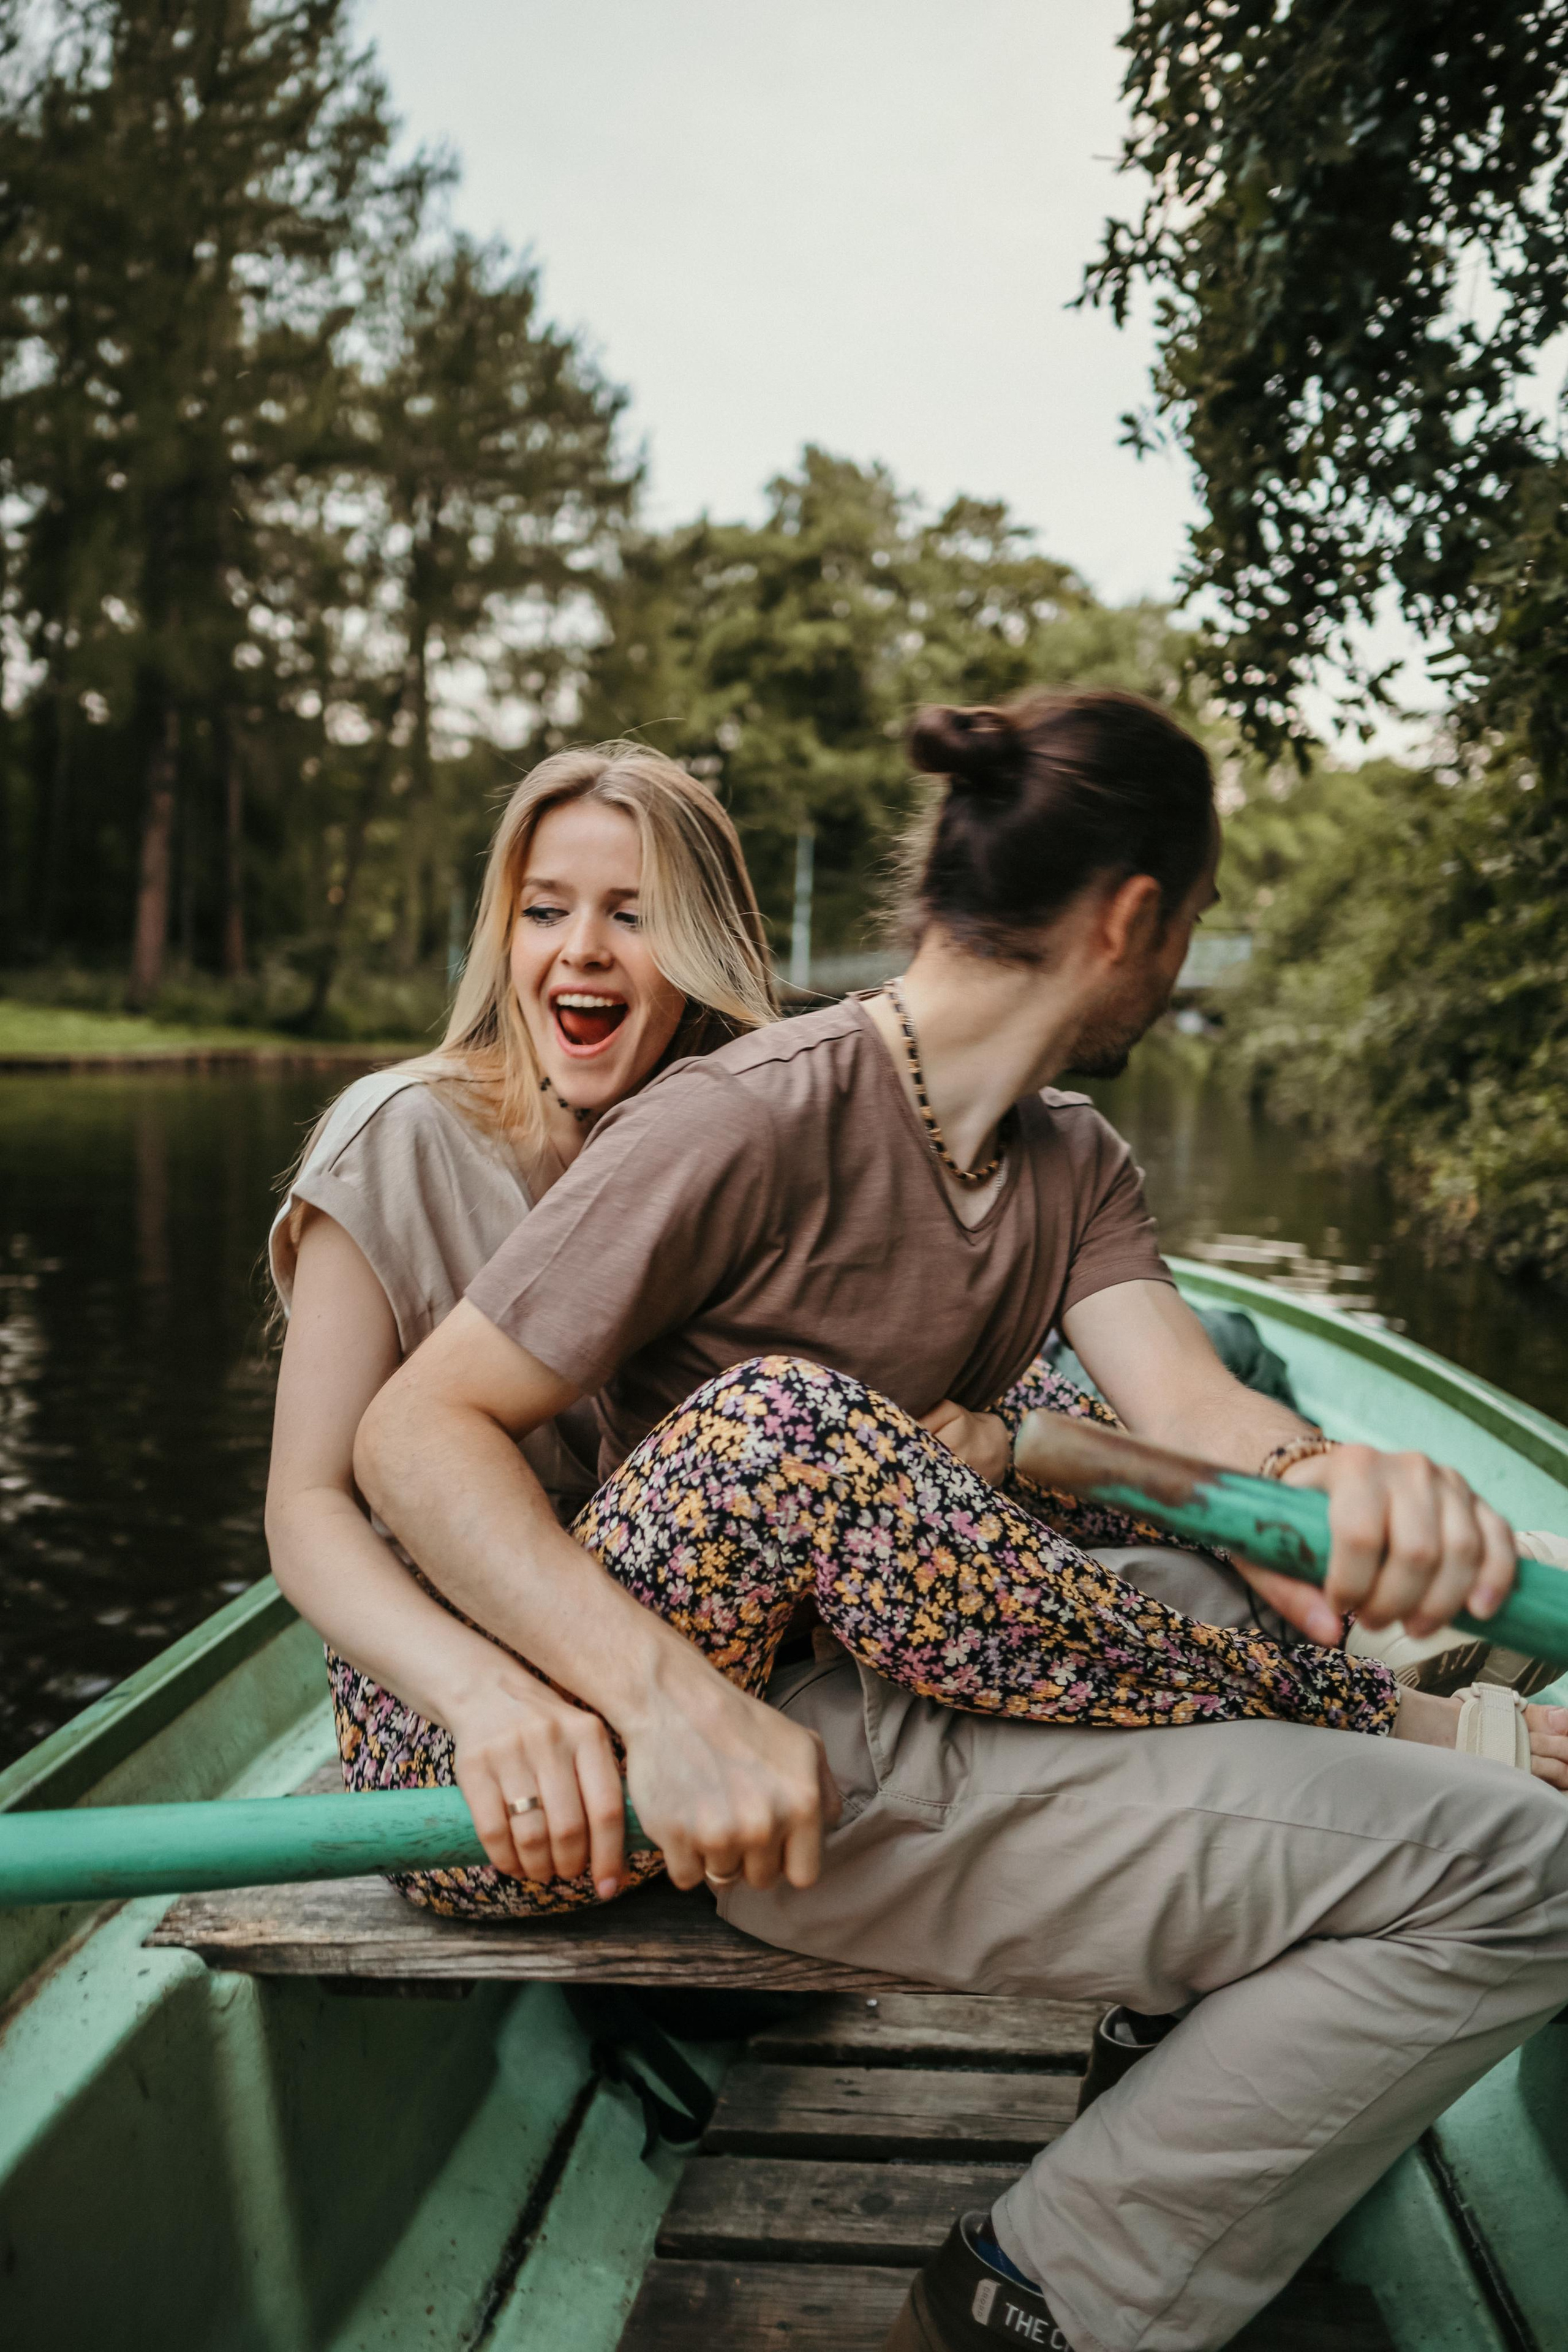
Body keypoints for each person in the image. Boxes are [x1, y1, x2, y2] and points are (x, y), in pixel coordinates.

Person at [353, 688, 1568, 2352]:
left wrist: (1325, 1482)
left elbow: (1202, 1421)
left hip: (906, 1674)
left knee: (1184, 1566)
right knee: (806, 1424)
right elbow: (416, 1433)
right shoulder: (744, 1116)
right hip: (722, 1749)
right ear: (1138, 920)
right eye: (1195, 923)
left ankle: (1214, 1977)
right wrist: (664, 1704)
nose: (1182, 956)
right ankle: (1054, 2285)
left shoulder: (1073, 1162)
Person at [264, 740, 778, 1912]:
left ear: (705, 955)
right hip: (466, 1734)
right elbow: (306, 1510)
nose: (581, 947)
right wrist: (485, 1696)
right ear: (507, 933)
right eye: (546, 909)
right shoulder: (398, 1133)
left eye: (635, 917)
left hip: (677, 1678)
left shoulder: (731, 1147)